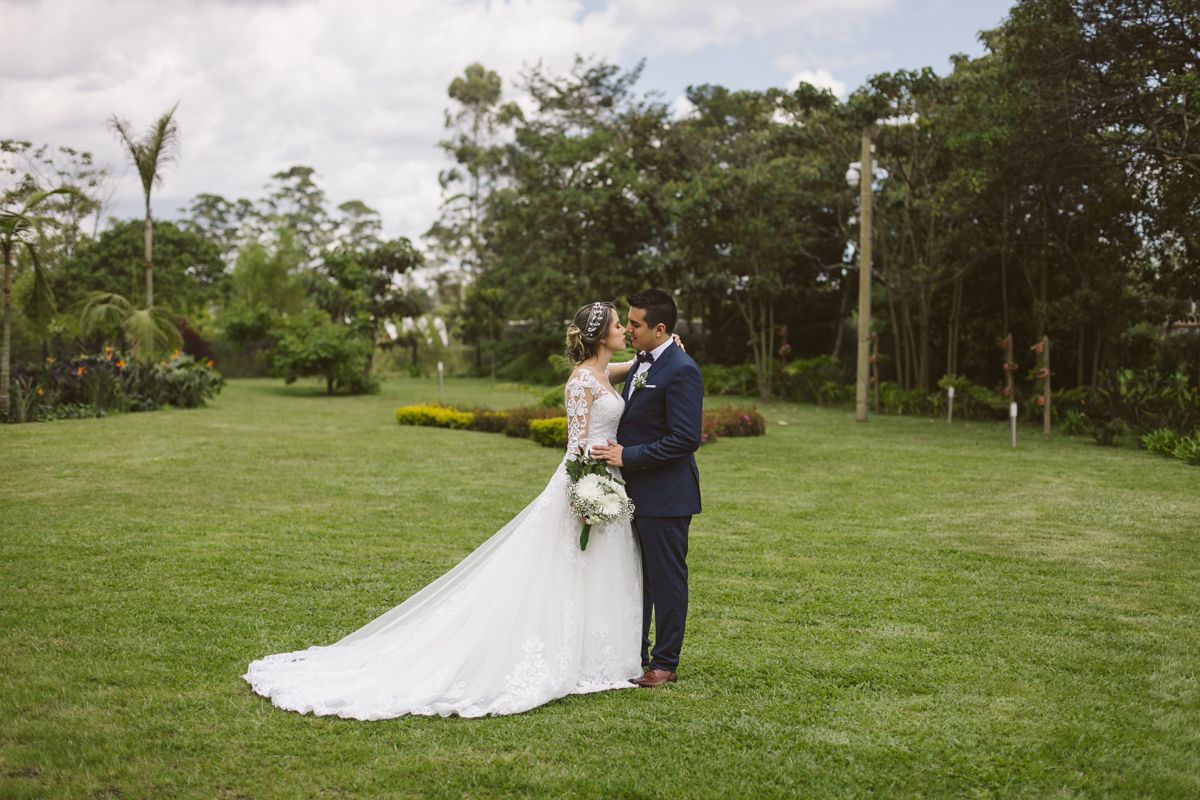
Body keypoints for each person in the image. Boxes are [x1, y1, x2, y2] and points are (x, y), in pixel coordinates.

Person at [244, 302, 646, 718]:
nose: (624, 331)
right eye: (619, 326)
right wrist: (584, 492)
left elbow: (622, 368)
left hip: (608, 477)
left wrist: (655, 351)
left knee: (591, 569)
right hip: (585, 480)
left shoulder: (602, 371)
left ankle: (593, 656)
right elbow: (575, 444)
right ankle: (559, 653)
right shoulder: (581, 381)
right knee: (564, 568)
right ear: (601, 337)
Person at [592, 289, 704, 688]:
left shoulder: (682, 369)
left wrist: (628, 455)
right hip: (632, 493)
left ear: (660, 329)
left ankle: (665, 663)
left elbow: (685, 438)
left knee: (666, 580)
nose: (630, 329)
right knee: (637, 578)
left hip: (667, 496)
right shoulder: (644, 360)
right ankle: (635, 653)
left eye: (635, 324)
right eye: (627, 322)